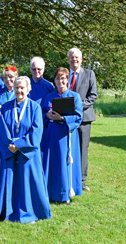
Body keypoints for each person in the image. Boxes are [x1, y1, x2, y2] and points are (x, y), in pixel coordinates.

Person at [0, 76, 51, 224]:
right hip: (9, 151)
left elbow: (36, 132)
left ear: (28, 89)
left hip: (28, 153)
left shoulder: (35, 107)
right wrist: (11, 146)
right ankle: (9, 210)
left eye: (22, 88)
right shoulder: (5, 106)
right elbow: (2, 130)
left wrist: (19, 146)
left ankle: (28, 212)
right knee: (10, 181)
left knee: (26, 183)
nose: (19, 91)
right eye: (17, 87)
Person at [41, 67, 83, 205]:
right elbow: (40, 115)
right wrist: (46, 115)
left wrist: (63, 119)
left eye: (63, 78)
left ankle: (65, 194)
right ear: (54, 80)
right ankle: (51, 192)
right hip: (51, 135)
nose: (61, 81)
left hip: (66, 135)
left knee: (64, 163)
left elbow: (78, 117)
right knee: (52, 163)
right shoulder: (49, 97)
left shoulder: (75, 97)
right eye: (58, 78)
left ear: (67, 80)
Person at [67, 48, 97, 192]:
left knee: (82, 150)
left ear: (81, 59)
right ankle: (68, 178)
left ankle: (82, 182)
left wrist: (78, 107)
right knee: (68, 149)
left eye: (77, 57)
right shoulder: (64, 75)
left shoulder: (89, 74)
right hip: (66, 119)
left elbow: (93, 96)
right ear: (68, 60)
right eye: (72, 57)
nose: (74, 60)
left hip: (84, 119)